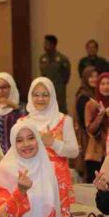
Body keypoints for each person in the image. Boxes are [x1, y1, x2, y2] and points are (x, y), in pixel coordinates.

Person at [0, 122, 72, 217]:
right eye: (19, 140)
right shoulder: (5, 170)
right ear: (13, 143)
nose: (26, 144)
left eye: (31, 138)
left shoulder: (53, 169)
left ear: (38, 139)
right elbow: (3, 216)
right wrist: (20, 192)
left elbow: (64, 211)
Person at [21, 77, 78, 205]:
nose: (40, 99)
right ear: (30, 96)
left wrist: (53, 143)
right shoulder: (22, 123)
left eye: (45, 95)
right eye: (36, 95)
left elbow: (74, 151)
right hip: (31, 180)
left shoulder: (64, 120)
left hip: (58, 181)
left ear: (52, 96)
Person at [84, 73, 109, 183]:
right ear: (98, 86)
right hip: (95, 154)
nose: (106, 87)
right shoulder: (91, 105)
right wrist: (101, 115)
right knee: (93, 187)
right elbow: (91, 131)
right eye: (102, 84)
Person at [38, 35, 70, 113]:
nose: (44, 46)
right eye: (44, 43)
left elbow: (66, 76)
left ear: (53, 45)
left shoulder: (62, 59)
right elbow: (43, 74)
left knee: (60, 108)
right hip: (46, 88)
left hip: (58, 88)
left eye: (46, 43)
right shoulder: (42, 58)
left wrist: (60, 84)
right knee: (46, 108)